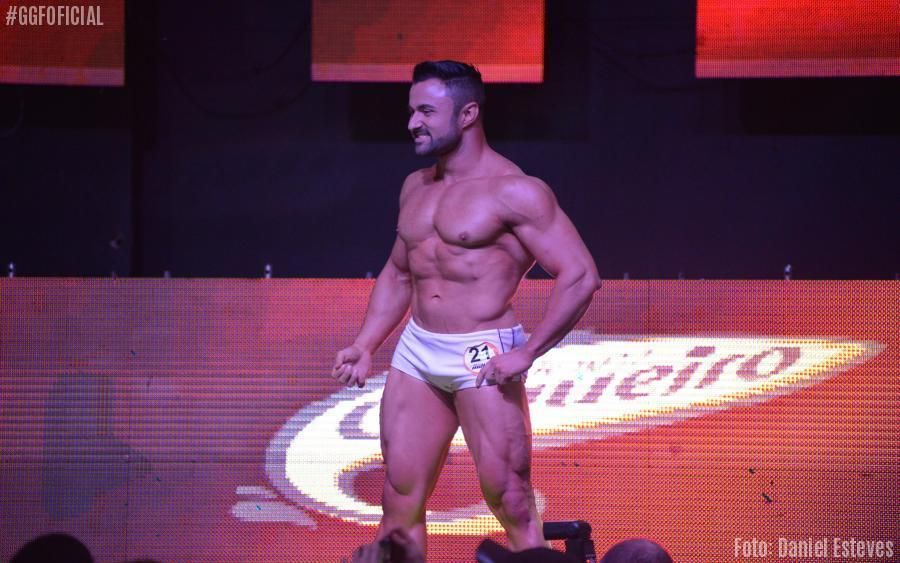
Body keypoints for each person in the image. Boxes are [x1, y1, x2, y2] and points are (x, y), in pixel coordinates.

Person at [333, 60, 600, 556]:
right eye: (412, 111)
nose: (413, 123)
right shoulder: (415, 187)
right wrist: (366, 343)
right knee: (399, 496)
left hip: (482, 354)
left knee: (511, 498)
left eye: (426, 112)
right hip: (418, 351)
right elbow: (399, 272)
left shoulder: (516, 191)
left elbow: (580, 275)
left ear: (468, 114)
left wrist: (529, 352)